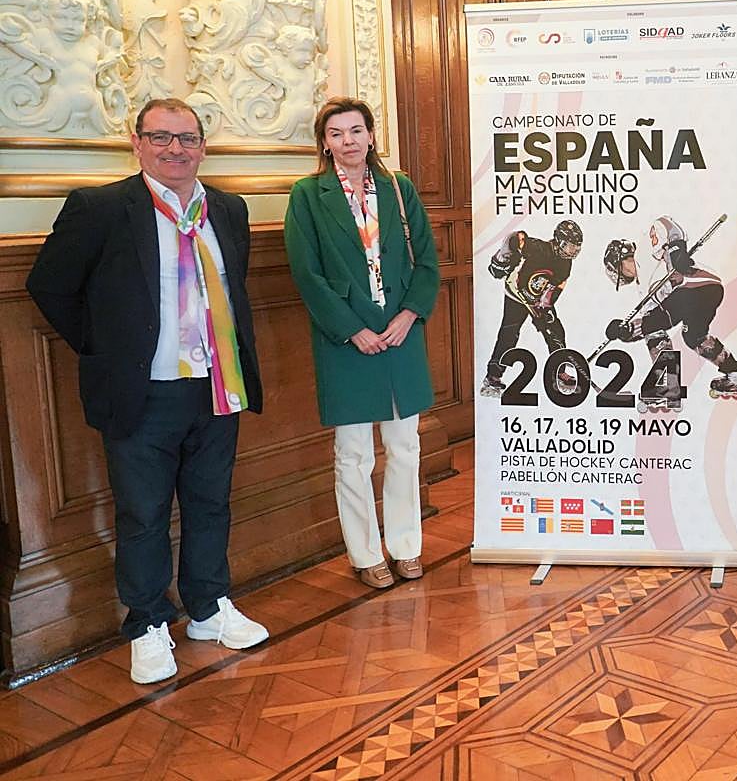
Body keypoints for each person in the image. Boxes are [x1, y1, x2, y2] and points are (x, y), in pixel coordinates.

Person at [25, 98, 268, 684]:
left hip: (215, 386)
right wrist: (107, 348)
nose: (174, 149)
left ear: (203, 146)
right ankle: (148, 623)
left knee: (211, 503)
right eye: (161, 137)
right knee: (143, 514)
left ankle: (208, 607)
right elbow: (49, 286)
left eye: (187, 138)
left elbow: (232, 292)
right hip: (143, 392)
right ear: (137, 144)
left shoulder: (228, 209)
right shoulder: (102, 208)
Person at [284, 97, 440, 590]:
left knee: (405, 446)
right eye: (337, 133)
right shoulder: (308, 195)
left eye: (356, 130)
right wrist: (353, 329)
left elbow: (427, 260)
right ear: (324, 143)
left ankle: (405, 547)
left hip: (401, 334)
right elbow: (307, 274)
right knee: (353, 454)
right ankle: (365, 552)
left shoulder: (399, 188)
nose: (348, 141)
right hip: (346, 340)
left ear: (372, 136)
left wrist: (409, 314)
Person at [601, 215, 737, 409]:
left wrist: (676, 250)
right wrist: (624, 331)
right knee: (693, 337)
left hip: (694, 287)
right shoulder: (643, 290)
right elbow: (650, 325)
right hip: (706, 294)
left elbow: (665, 224)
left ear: (621, 260)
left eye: (620, 269)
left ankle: (668, 386)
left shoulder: (644, 252)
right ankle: (736, 374)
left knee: (654, 323)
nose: (623, 275)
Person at [480, 219, 582, 396]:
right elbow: (515, 238)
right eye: (569, 246)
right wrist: (502, 261)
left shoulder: (565, 264)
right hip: (516, 294)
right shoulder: (539, 248)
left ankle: (559, 373)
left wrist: (544, 308)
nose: (571, 252)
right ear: (558, 240)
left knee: (556, 332)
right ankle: (492, 379)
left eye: (575, 248)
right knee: (509, 334)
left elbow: (556, 286)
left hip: (536, 299)